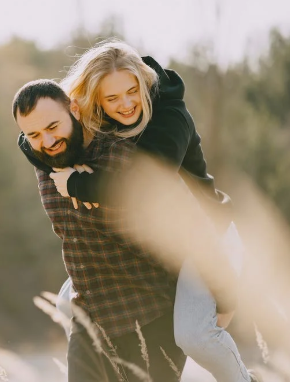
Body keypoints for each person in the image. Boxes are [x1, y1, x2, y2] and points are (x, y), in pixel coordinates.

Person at [16, 41, 261, 382]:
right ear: (93, 101)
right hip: (171, 234)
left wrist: (76, 185)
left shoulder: (168, 119)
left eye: (132, 91)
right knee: (66, 302)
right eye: (112, 98)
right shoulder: (99, 123)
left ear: (143, 84)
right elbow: (44, 136)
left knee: (195, 335)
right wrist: (44, 151)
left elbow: (142, 184)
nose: (126, 104)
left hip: (209, 234)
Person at [13, 79, 188, 381]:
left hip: (151, 315)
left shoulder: (118, 156)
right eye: (34, 135)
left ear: (75, 110)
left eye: (53, 127)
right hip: (90, 318)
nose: (47, 140)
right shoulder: (45, 162)